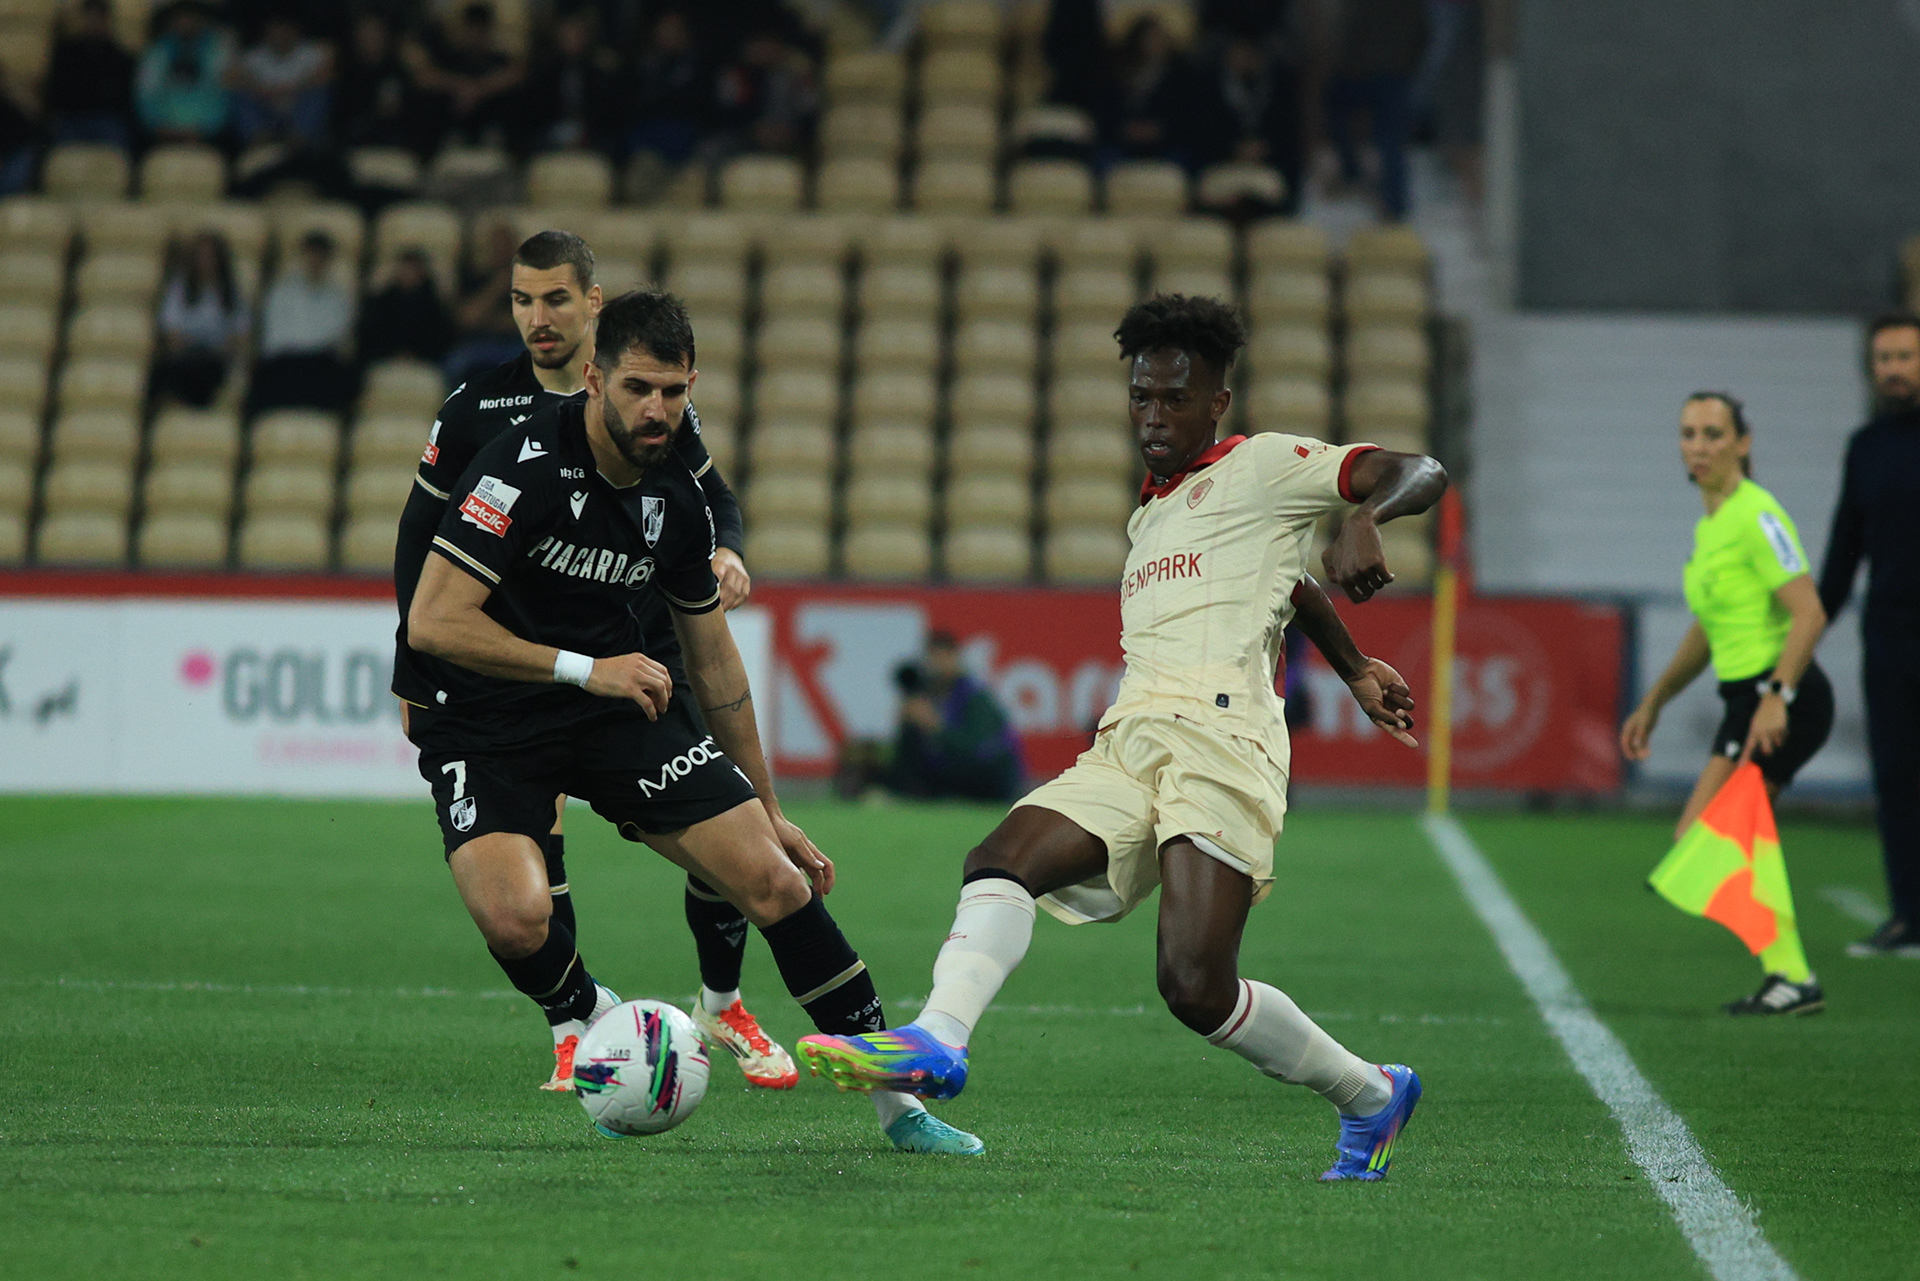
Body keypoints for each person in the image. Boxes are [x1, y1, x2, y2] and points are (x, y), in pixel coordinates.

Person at [798, 294, 1445, 1181]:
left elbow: (1419, 469)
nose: (1154, 416)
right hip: (1129, 739)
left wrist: (1364, 517)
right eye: (1142, 397)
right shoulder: (1151, 515)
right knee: (1001, 857)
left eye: (1175, 398)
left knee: (1195, 985)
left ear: (1216, 402)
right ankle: (937, 1040)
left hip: (1225, 741)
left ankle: (1371, 1093)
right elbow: (1291, 587)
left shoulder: (1263, 465)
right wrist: (1355, 664)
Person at [405, 288, 981, 1156]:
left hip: (620, 710)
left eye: (673, 392)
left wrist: (770, 806)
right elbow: (434, 621)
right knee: (518, 919)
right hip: (488, 718)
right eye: (637, 388)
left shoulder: (677, 488)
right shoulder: (517, 468)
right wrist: (586, 667)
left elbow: (713, 663)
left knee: (777, 881)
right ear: (593, 379)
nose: (656, 410)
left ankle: (902, 1107)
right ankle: (596, 1015)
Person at [392, 231, 776, 1094]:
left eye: (556, 298)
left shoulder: (649, 399)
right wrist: (412, 666)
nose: (538, 317)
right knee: (535, 834)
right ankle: (574, 1023)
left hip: (646, 637)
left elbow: (712, 495)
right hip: (535, 651)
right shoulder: (476, 409)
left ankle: (723, 998)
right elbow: (420, 537)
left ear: (593, 304)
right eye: (521, 300)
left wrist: (727, 550)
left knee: (722, 815)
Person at [1620, 392, 1833, 1013]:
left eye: (1713, 434)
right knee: (1697, 836)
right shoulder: (1711, 527)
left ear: (1743, 443)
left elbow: (1810, 612)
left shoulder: (1757, 515)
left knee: (1731, 835)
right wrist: (1655, 700)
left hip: (1783, 698)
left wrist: (1778, 696)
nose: (1699, 446)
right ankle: (1788, 974)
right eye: (1689, 433)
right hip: (1746, 702)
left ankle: (1792, 977)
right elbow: (1708, 631)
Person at [1818, 314, 1920, 958]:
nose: (1894, 369)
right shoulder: (1866, 447)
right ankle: (1908, 916)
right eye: (1884, 358)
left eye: (1905, 356)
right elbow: (1844, 549)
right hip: (1887, 643)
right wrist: (1805, 635)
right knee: (1898, 781)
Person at [885, 633, 1023, 802]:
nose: (935, 665)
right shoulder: (930, 692)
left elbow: (971, 745)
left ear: (954, 657)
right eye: (931, 659)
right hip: (953, 768)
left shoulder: (975, 696)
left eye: (941, 658)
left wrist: (934, 725)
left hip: (989, 771)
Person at [1323, 0, 1427, 221]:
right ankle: (1394, 204)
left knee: (1335, 106)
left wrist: (1345, 67)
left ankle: (1352, 171)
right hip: (1395, 73)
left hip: (1365, 73)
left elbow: (1351, 32)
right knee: (1391, 141)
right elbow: (1423, 33)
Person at [248, 229, 353, 414]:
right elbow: (273, 336)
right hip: (286, 360)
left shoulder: (338, 298)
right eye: (312, 256)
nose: (315, 262)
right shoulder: (281, 293)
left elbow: (335, 337)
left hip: (319, 362)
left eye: (321, 257)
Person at [404, 2, 525, 149]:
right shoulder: (451, 59)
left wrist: (479, 89)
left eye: (481, 30)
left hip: (491, 128)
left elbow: (518, 74)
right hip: (453, 130)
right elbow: (424, 78)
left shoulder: (497, 60)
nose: (476, 35)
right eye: (472, 29)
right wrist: (458, 86)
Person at [152, 230, 247, 408]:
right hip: (185, 356)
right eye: (201, 256)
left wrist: (221, 349)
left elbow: (240, 335)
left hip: (215, 359)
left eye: (210, 256)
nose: (205, 261)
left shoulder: (231, 292)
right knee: (169, 370)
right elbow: (171, 333)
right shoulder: (179, 288)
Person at [229, 11, 333, 146]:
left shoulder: (310, 51)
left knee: (319, 93)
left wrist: (294, 89)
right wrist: (262, 90)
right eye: (276, 29)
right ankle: (260, 140)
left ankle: (299, 140)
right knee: (240, 96)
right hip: (267, 109)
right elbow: (231, 78)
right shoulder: (255, 55)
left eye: (285, 29)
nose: (280, 34)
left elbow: (327, 75)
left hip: (298, 108)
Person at [135, 1, 232, 144]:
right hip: (162, 131)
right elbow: (145, 93)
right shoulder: (158, 52)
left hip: (207, 132)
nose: (186, 22)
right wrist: (158, 125)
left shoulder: (217, 50)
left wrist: (205, 128)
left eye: (190, 17)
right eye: (181, 18)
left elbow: (224, 94)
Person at [443, 220, 525, 386]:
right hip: (478, 344)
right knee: (454, 366)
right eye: (497, 245)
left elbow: (532, 321)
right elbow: (467, 319)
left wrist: (493, 322)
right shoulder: (473, 276)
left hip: (517, 345)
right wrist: (499, 284)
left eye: (506, 245)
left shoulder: (529, 280)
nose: (502, 251)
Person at [45, 0, 136, 148]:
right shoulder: (67, 54)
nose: (94, 23)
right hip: (72, 118)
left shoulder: (120, 58)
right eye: (90, 17)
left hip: (106, 119)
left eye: (98, 18)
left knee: (117, 141)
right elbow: (56, 91)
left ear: (107, 20)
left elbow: (123, 99)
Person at [358, 247, 452, 365]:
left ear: (422, 273)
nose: (408, 273)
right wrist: (392, 353)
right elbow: (373, 332)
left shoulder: (433, 305)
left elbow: (437, 336)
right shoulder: (383, 301)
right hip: (384, 358)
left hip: (423, 360)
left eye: (413, 270)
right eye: (406, 268)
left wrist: (414, 354)